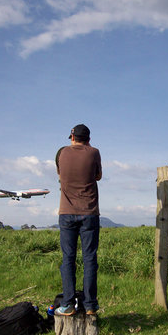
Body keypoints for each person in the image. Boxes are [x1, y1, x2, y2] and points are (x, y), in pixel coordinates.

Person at [55, 124, 102, 316]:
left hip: (66, 212)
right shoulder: (94, 153)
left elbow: (60, 175)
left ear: (72, 137)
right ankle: (90, 305)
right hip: (90, 212)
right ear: (89, 139)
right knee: (90, 258)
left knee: (68, 258)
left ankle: (68, 304)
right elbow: (98, 176)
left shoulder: (61, 153)